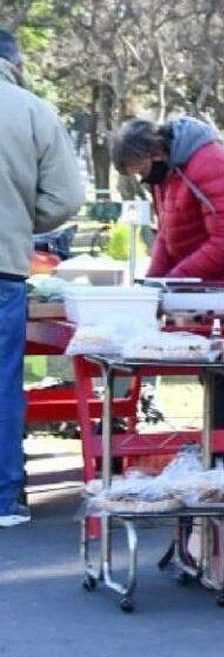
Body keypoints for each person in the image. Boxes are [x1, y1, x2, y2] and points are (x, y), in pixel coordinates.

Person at [110, 115, 224, 449]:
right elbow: (168, 238)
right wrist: (152, 288)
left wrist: (174, 283)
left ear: (155, 152)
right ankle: (219, 447)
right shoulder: (167, 175)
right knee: (215, 374)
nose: (143, 178)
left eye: (141, 170)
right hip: (212, 287)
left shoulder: (210, 163)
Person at [0, 28, 86, 528]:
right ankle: (6, 497)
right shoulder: (31, 109)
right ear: (13, 61)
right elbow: (65, 198)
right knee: (4, 381)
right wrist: (18, 220)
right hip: (4, 269)